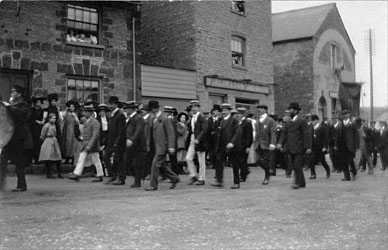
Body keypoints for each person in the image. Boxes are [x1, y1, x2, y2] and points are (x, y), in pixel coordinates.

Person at [0, 85, 33, 192]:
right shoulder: (13, 106)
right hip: (10, 138)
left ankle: (22, 185)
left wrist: (8, 106)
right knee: (2, 162)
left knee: (19, 163)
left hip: (19, 139)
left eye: (13, 92)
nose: (11, 94)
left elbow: (19, 115)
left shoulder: (24, 106)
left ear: (19, 94)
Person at [145, 100, 179, 191]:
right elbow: (150, 133)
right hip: (154, 147)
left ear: (155, 109)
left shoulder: (165, 119)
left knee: (155, 164)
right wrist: (148, 144)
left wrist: (171, 146)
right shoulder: (152, 118)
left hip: (162, 146)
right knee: (162, 166)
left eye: (152, 109)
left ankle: (153, 185)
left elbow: (171, 133)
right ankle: (174, 178)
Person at [278, 102, 312, 189]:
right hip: (290, 147)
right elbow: (284, 133)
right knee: (295, 165)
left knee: (297, 165)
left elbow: (306, 134)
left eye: (290, 110)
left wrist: (308, 147)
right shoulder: (289, 122)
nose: (289, 111)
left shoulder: (302, 121)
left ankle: (297, 182)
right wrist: (280, 143)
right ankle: (302, 182)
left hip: (299, 147)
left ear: (295, 111)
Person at [67, 105, 104, 182]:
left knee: (95, 159)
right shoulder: (87, 121)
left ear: (91, 113)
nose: (85, 113)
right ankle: (77, 174)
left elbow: (95, 134)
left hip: (92, 144)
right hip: (87, 144)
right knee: (83, 158)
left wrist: (90, 144)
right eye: (85, 112)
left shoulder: (95, 122)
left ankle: (99, 175)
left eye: (87, 112)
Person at [211, 103, 240, 189]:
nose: (223, 112)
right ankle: (219, 181)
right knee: (219, 162)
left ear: (229, 111)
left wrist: (232, 142)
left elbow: (237, 133)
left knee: (235, 164)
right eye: (222, 110)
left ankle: (236, 182)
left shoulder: (234, 120)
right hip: (222, 146)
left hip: (232, 146)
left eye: (225, 110)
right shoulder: (220, 120)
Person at [123, 101, 146, 188]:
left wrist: (132, 140)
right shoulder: (129, 118)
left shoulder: (138, 118)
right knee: (127, 162)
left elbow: (138, 130)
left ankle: (137, 181)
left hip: (138, 145)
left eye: (127, 108)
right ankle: (138, 177)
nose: (126, 110)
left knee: (136, 164)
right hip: (130, 144)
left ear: (132, 109)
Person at [104, 96, 126, 185]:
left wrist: (117, 142)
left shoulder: (120, 115)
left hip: (118, 141)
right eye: (110, 104)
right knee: (106, 157)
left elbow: (121, 130)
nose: (110, 106)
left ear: (116, 104)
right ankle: (112, 175)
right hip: (110, 141)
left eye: (112, 104)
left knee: (119, 160)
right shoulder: (112, 115)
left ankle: (121, 178)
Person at [185, 100, 208, 185]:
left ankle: (202, 179)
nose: (193, 108)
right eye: (192, 107)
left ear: (198, 107)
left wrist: (198, 138)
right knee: (188, 158)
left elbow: (204, 129)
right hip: (192, 138)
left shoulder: (201, 118)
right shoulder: (192, 118)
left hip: (200, 140)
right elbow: (191, 130)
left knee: (201, 160)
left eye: (195, 107)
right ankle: (193, 175)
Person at [335, 110, 359, 181]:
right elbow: (337, 136)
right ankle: (347, 176)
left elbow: (356, 136)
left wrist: (357, 146)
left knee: (350, 160)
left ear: (349, 115)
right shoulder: (340, 124)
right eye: (343, 115)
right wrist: (336, 145)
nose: (345, 116)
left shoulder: (353, 124)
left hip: (350, 146)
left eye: (346, 114)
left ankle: (354, 171)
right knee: (343, 161)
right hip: (342, 146)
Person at [255, 104, 276, 185]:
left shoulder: (270, 120)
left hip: (266, 144)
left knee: (266, 161)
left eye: (261, 108)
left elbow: (273, 133)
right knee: (258, 160)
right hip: (258, 144)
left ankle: (266, 177)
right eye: (258, 108)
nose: (259, 110)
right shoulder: (257, 119)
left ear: (265, 110)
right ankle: (269, 170)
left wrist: (272, 144)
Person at [39, 113, 62, 178]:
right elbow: (42, 135)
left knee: (58, 157)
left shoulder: (54, 125)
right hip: (48, 141)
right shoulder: (46, 126)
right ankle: (49, 173)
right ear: (49, 119)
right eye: (53, 118)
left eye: (55, 118)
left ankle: (59, 173)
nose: (54, 120)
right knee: (49, 158)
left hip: (54, 140)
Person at [308, 115, 330, 179]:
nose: (312, 122)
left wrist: (325, 147)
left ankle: (328, 171)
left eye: (313, 120)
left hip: (320, 147)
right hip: (312, 147)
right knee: (311, 160)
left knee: (322, 161)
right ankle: (313, 174)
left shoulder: (322, 128)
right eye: (311, 120)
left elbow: (325, 138)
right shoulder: (310, 127)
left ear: (317, 120)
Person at [235, 107, 253, 182]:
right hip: (237, 145)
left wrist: (248, 146)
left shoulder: (247, 123)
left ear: (243, 115)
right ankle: (245, 171)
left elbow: (249, 135)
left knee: (243, 161)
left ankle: (243, 176)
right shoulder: (237, 122)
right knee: (238, 161)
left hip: (244, 145)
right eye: (237, 114)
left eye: (239, 114)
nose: (237, 115)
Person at [61, 100, 80, 165]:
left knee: (73, 145)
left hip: (73, 130)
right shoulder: (66, 114)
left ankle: (72, 159)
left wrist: (75, 117)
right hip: (67, 130)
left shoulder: (75, 114)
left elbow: (78, 122)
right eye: (70, 106)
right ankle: (67, 158)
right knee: (67, 144)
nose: (71, 108)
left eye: (73, 107)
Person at [29, 94, 46, 165]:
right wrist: (37, 121)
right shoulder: (32, 110)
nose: (38, 104)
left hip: (40, 128)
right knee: (34, 143)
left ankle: (39, 158)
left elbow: (44, 118)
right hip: (34, 128)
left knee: (40, 143)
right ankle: (34, 158)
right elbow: (30, 119)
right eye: (37, 102)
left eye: (39, 102)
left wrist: (43, 121)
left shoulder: (42, 111)